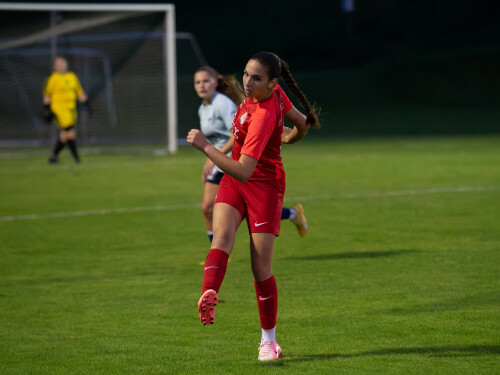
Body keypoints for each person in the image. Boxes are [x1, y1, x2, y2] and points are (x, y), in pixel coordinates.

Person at [187, 51, 320, 361]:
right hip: (236, 180)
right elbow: (302, 123)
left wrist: (206, 148)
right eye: (246, 74)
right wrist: (290, 137)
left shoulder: (262, 115)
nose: (247, 82)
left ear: (272, 83)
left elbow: (246, 170)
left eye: (256, 78)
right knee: (221, 237)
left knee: (260, 270)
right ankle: (209, 292)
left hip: (264, 187)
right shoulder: (272, 94)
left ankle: (269, 341)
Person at [193, 66, 308, 244]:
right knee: (208, 207)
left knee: (247, 210)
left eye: (206, 81)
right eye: (198, 82)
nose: (202, 85)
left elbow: (236, 134)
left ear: (215, 82)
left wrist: (211, 154)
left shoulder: (222, 104)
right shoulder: (203, 108)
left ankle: (292, 213)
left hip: (237, 161)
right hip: (220, 162)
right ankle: (216, 252)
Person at [43, 56, 88, 164]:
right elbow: (47, 96)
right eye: (57, 64)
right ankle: (77, 159)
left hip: (70, 110)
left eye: (62, 63)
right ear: (55, 67)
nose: (60, 65)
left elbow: (79, 92)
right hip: (58, 110)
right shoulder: (53, 78)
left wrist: (88, 105)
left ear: (66, 64)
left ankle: (53, 157)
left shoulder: (72, 76)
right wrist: (47, 111)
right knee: (71, 133)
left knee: (64, 137)